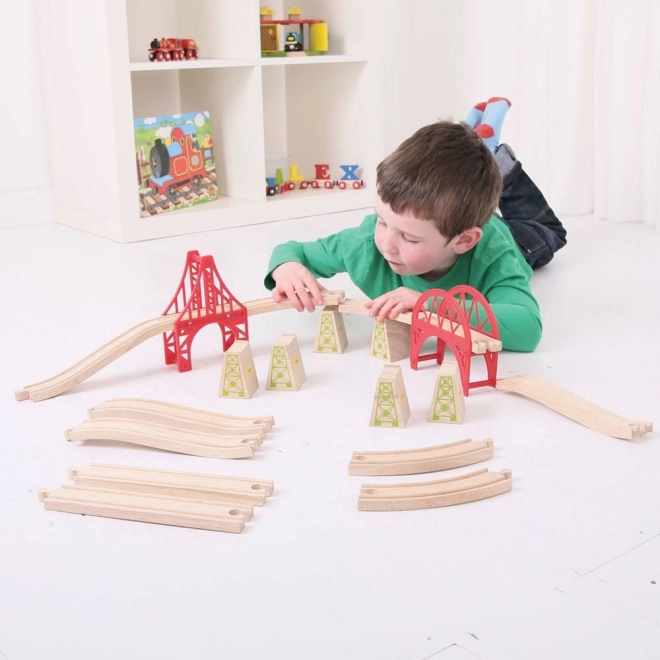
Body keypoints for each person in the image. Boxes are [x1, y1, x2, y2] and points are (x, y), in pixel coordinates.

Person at [263, 98, 567, 352]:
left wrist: (431, 304)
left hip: (513, 240)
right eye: (382, 220)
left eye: (409, 238)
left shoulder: (494, 256)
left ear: (463, 241)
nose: (386, 245)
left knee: (548, 232)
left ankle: (499, 162)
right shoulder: (367, 244)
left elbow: (527, 329)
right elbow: (291, 251)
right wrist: (286, 268)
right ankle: (475, 148)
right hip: (456, 220)